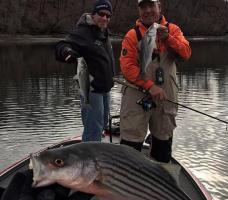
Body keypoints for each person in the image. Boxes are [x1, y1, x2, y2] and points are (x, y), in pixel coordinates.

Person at [119, 0, 191, 163]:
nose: (148, 10)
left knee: (163, 143)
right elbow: (127, 68)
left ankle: (159, 182)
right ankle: (127, 182)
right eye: (143, 7)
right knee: (130, 142)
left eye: (151, 5)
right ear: (139, 10)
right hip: (137, 95)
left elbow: (186, 53)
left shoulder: (173, 30)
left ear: (159, 6)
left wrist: (168, 38)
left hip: (166, 96)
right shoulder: (132, 35)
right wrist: (150, 87)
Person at [55, 0, 115, 142]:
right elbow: (61, 45)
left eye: (108, 16)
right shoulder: (83, 32)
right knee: (93, 128)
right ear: (93, 15)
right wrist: (67, 52)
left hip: (105, 88)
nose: (105, 18)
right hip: (91, 89)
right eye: (101, 14)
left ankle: (95, 153)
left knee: (101, 126)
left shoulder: (103, 32)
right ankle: (88, 160)